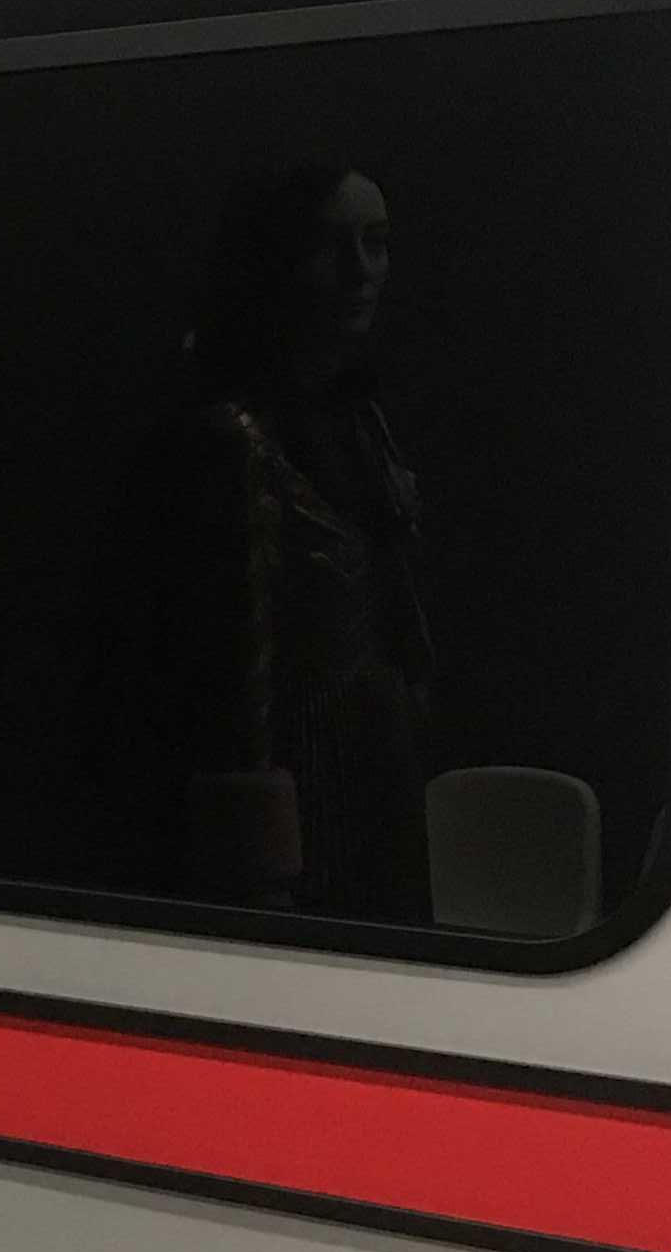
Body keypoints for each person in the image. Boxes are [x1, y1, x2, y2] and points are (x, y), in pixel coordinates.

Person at [114, 159, 437, 921]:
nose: (361, 270)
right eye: (332, 245)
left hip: (372, 766)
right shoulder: (233, 437)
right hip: (298, 790)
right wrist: (256, 859)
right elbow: (224, 668)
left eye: (376, 243)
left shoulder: (356, 416)